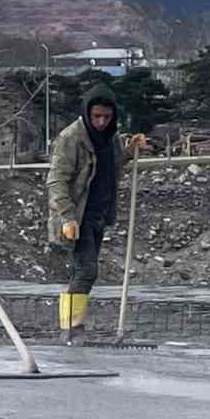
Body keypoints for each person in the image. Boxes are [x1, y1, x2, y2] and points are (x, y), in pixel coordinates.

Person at [47, 85, 148, 344]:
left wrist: (128, 151)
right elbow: (56, 180)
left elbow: (111, 166)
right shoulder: (71, 138)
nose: (101, 122)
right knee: (86, 270)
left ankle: (72, 326)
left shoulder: (110, 137)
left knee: (83, 270)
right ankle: (71, 329)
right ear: (87, 113)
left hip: (98, 214)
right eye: (96, 117)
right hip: (77, 217)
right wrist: (67, 217)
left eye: (106, 116)